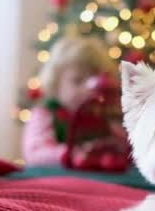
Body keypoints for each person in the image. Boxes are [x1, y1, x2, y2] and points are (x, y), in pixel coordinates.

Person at [21, 36, 118, 166]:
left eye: (92, 82)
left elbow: (122, 145)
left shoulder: (101, 115)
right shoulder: (45, 114)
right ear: (55, 83)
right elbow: (35, 152)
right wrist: (71, 154)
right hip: (55, 181)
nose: (87, 89)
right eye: (77, 81)